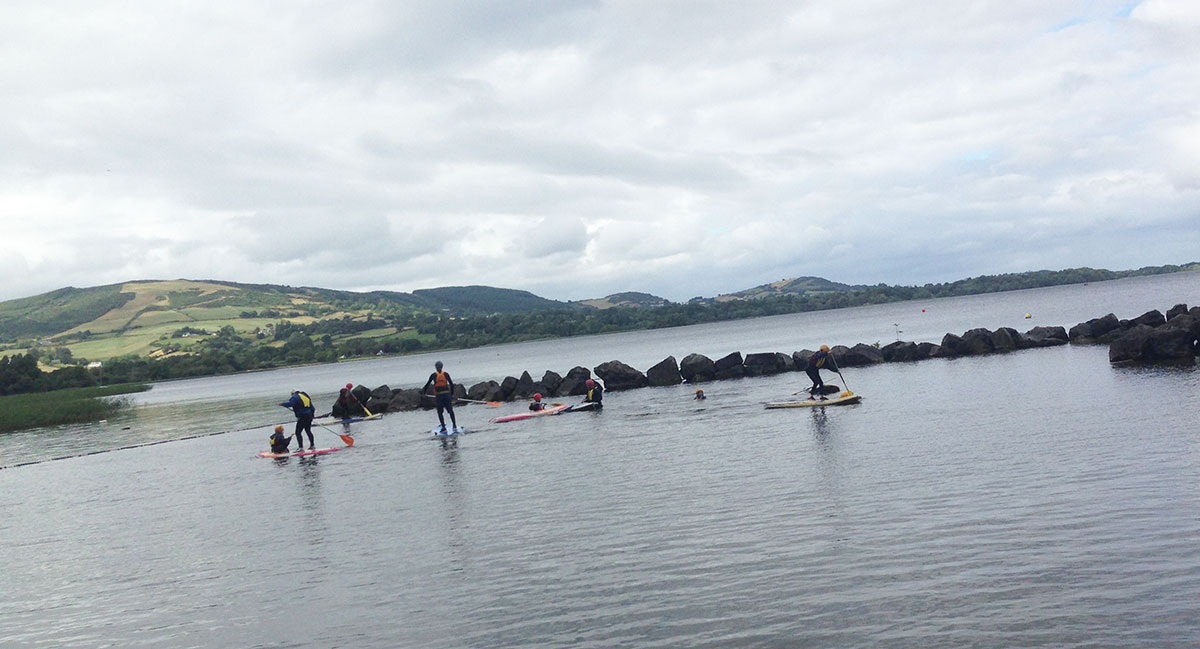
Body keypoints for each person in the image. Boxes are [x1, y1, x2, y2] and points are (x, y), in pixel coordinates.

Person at [421, 360, 458, 432]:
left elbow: (427, 384)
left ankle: (443, 427)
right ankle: (454, 425)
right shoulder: (446, 374)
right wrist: (451, 394)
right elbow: (451, 385)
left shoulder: (433, 375)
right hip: (446, 395)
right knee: (450, 410)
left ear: (436, 367)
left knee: (440, 412)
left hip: (439, 396)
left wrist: (424, 393)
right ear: (442, 367)